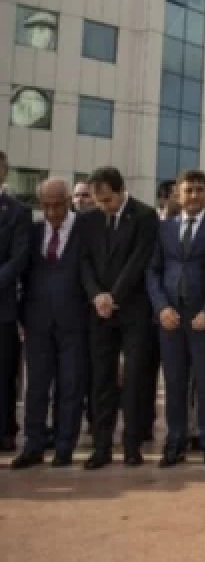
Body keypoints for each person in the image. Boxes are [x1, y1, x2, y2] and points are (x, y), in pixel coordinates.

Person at [80, 166, 160, 469]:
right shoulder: (88, 220)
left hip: (133, 309)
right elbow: (84, 261)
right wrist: (96, 295)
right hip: (99, 310)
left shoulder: (144, 216)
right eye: (98, 201)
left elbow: (140, 260)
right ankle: (102, 445)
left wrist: (114, 296)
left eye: (107, 200)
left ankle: (131, 444)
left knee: (136, 378)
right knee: (101, 378)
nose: (103, 207)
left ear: (121, 191)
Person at [146, 170, 205, 467]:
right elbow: (153, 270)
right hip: (171, 317)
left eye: (199, 190)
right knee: (174, 382)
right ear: (178, 193)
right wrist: (161, 307)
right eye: (188, 190)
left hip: (202, 316)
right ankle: (174, 441)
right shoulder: (164, 228)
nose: (193, 196)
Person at [11, 179, 83, 469]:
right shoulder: (32, 232)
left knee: (70, 386)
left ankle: (65, 446)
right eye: (47, 206)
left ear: (68, 201)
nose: (52, 212)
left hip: (73, 321)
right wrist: (21, 317)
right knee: (36, 386)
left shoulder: (84, 230)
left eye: (58, 205)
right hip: (37, 321)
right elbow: (21, 274)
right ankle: (33, 445)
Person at [0, 152, 31, 454]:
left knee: (5, 373)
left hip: (4, 307)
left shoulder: (17, 212)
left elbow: (19, 258)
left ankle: (5, 430)